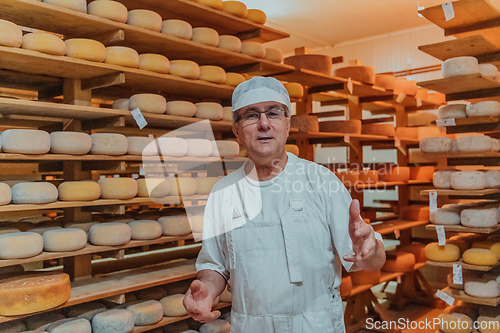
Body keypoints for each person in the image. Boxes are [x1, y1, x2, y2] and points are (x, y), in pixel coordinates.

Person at [183, 76, 386, 332]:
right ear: (236, 130)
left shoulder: (321, 182)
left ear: (287, 125)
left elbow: (371, 260)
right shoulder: (223, 192)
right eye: (251, 115)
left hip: (313, 325)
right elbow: (214, 265)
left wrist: (372, 250)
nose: (264, 124)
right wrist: (208, 289)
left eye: (273, 113)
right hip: (250, 326)